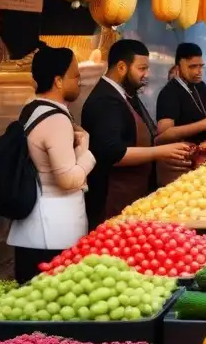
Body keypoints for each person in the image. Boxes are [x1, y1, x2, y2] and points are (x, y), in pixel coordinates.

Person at [8, 46, 95, 282]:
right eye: (75, 76)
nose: (79, 82)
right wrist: (88, 155)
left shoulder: (32, 108)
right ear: (58, 81)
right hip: (52, 232)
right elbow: (67, 179)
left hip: (38, 228)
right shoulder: (55, 119)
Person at [81, 40, 190, 228]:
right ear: (122, 67)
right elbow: (113, 153)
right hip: (111, 200)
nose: (146, 75)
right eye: (142, 69)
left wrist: (167, 154)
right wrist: (162, 152)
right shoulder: (106, 100)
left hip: (133, 196)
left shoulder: (127, 95)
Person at [155, 43, 206, 185]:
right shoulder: (169, 93)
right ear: (178, 67)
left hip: (205, 160)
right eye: (192, 67)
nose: (198, 71)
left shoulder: (201, 86)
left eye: (201, 66)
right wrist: (204, 124)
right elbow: (164, 133)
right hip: (181, 165)